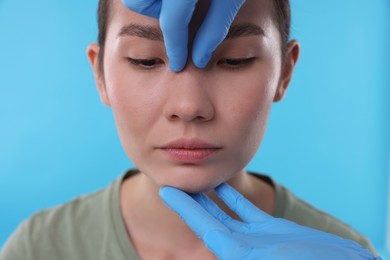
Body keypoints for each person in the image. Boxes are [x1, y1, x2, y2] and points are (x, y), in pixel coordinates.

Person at [0, 0, 382, 259]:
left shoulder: (338, 251)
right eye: (146, 61)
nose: (189, 106)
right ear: (99, 74)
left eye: (234, 61)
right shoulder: (40, 248)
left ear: (285, 72)